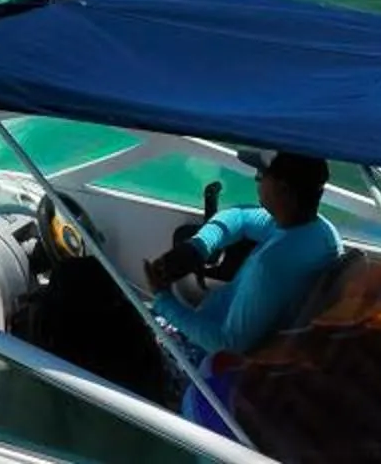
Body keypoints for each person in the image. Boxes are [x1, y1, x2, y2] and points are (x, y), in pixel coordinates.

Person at [142, 150, 343, 433]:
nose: (256, 181)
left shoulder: (272, 266)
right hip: (225, 337)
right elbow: (240, 216)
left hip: (202, 360)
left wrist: (164, 299)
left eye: (261, 176)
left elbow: (227, 344)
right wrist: (199, 246)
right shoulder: (320, 231)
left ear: (283, 190)